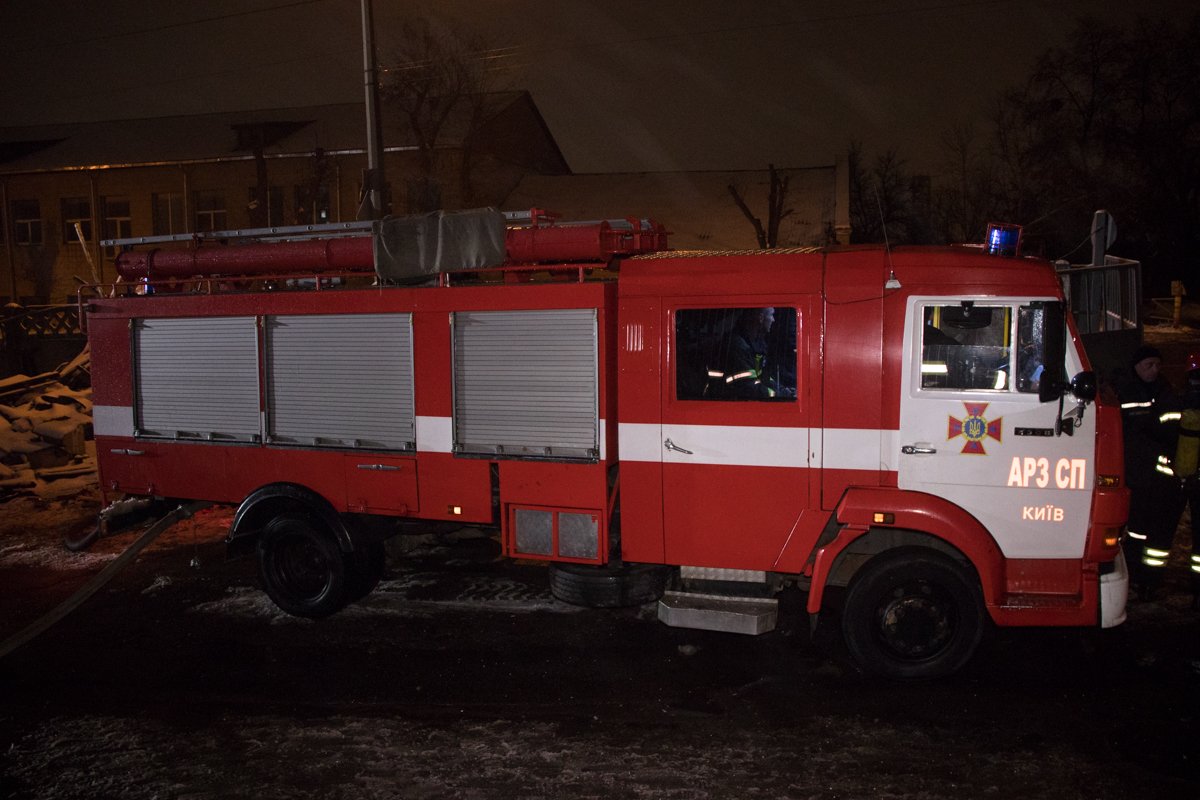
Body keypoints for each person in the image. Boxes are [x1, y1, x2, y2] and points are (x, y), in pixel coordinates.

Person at [1115, 345, 1182, 598]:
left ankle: (1151, 581)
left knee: (1158, 534)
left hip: (1161, 478)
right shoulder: (1126, 390)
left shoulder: (1166, 391)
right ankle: (1132, 576)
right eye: (1148, 365)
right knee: (1135, 530)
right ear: (1136, 367)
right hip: (1135, 474)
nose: (1154, 370)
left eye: (1157, 364)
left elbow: (1171, 429)